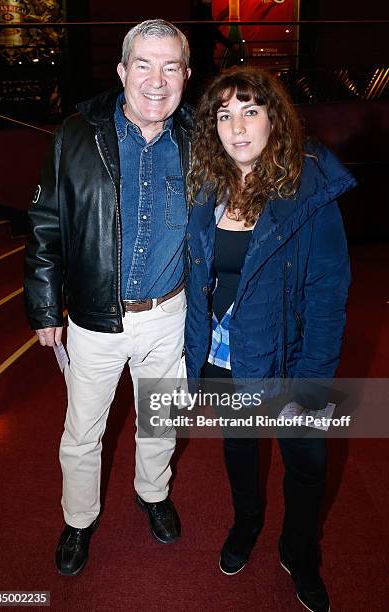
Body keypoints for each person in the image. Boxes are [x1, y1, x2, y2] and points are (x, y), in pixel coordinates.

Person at [24, 19, 192, 576]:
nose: (156, 80)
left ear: (186, 76)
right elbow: (46, 224)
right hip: (95, 319)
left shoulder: (199, 138)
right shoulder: (75, 133)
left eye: (171, 66)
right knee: (82, 434)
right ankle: (78, 520)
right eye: (143, 64)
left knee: (161, 421)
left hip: (170, 315)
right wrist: (46, 308)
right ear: (122, 71)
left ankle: (152, 493)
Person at [185, 68, 357, 612]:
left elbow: (329, 295)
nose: (237, 127)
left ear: (273, 118)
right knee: (239, 448)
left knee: (305, 463)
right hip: (229, 357)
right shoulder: (207, 186)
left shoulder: (307, 187)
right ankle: (247, 524)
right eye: (224, 114)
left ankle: (299, 549)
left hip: (290, 357)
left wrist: (312, 380)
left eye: (250, 111)